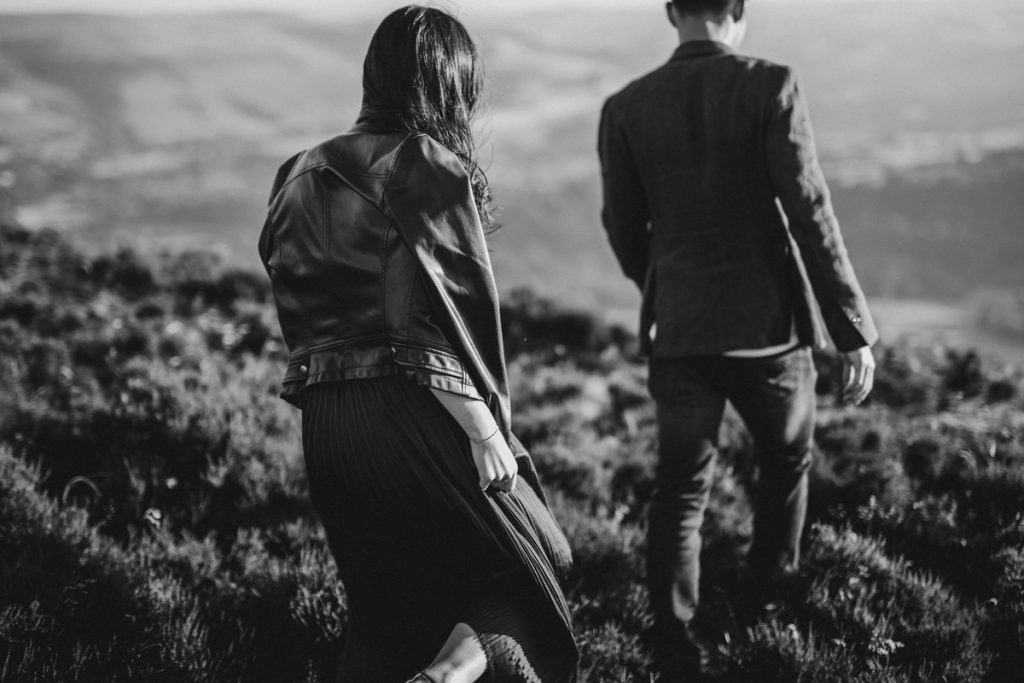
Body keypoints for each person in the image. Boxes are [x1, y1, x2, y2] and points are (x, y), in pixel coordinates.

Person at [258, 6, 578, 682]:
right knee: (532, 563)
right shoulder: (422, 164)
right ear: (448, 87)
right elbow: (424, 329)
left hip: (330, 427)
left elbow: (300, 310)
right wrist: (484, 425)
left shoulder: (295, 173)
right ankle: (449, 676)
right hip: (415, 411)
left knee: (386, 614)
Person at [598, 0, 878, 678]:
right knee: (784, 468)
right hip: (768, 335)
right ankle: (763, 619)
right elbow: (809, 209)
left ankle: (676, 652)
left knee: (679, 492)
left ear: (671, 11)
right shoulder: (770, 85)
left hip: (682, 334)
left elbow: (622, 226)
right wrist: (852, 328)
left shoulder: (625, 107)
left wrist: (665, 287)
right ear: (739, 11)